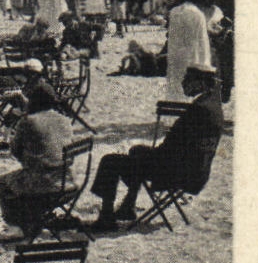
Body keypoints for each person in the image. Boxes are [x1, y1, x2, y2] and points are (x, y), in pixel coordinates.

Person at [88, 64, 222, 231]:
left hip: (177, 173)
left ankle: (107, 218)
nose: (183, 83)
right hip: (196, 172)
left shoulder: (199, 111)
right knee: (137, 151)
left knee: (110, 161)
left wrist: (151, 156)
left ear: (201, 82)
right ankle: (128, 206)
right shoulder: (212, 105)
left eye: (188, 79)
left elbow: (174, 149)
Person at [0, 84, 73, 237]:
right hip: (66, 181)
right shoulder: (65, 120)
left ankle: (16, 226)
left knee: (2, 182)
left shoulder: (28, 121)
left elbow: (15, 151)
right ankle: (36, 216)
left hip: (40, 185)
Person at [164, 0, 215, 100]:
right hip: (192, 58)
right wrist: (206, 63)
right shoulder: (197, 14)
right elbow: (202, 40)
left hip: (175, 53)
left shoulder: (174, 11)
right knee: (189, 89)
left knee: (175, 85)